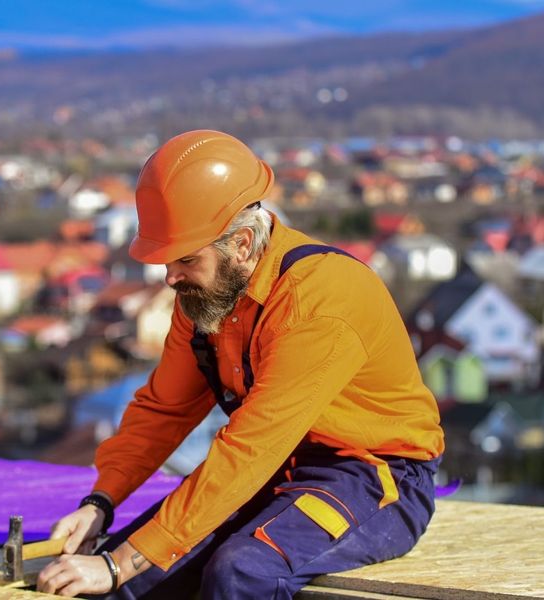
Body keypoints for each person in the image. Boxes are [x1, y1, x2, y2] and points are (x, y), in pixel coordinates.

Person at [37, 130, 444, 599]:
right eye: (166, 260)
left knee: (242, 571)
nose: (170, 277)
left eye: (185, 258)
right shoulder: (205, 297)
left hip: (372, 475)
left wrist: (117, 563)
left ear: (243, 244)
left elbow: (252, 448)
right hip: (280, 468)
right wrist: (101, 503)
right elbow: (163, 410)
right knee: (130, 580)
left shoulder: (321, 301)